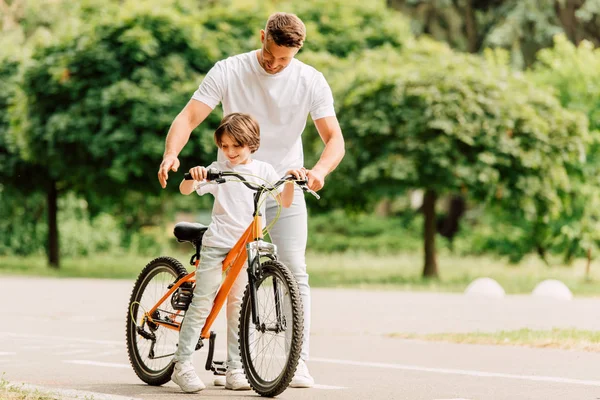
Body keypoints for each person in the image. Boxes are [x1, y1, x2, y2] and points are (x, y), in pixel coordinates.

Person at [158, 12, 345, 389]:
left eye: (284, 59)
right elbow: (189, 116)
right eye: (270, 54)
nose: (275, 64)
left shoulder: (310, 80)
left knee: (294, 269)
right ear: (262, 37)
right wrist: (171, 153)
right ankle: (231, 366)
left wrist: (319, 172)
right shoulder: (229, 70)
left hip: (282, 183)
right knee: (233, 281)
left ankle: (298, 362)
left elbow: (334, 140)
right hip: (236, 183)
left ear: (298, 49)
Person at [172, 112, 304, 393]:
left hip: (247, 248)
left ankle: (235, 369)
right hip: (218, 244)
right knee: (203, 301)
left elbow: (285, 200)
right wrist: (195, 174)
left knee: (236, 309)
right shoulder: (218, 170)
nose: (230, 152)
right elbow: (186, 189)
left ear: (252, 144)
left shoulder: (265, 171)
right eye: (224, 146)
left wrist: (291, 179)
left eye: (237, 146)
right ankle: (182, 364)